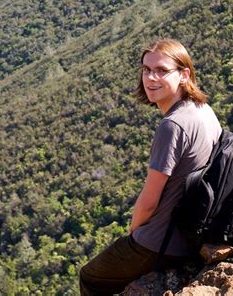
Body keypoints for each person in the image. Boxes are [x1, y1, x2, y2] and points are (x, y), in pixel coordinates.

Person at [79, 38, 222, 296]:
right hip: (192, 234)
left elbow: (149, 201)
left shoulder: (173, 126)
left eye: (161, 70)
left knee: (90, 277)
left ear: (184, 75)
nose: (150, 78)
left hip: (162, 242)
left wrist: (134, 235)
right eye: (146, 69)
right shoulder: (203, 110)